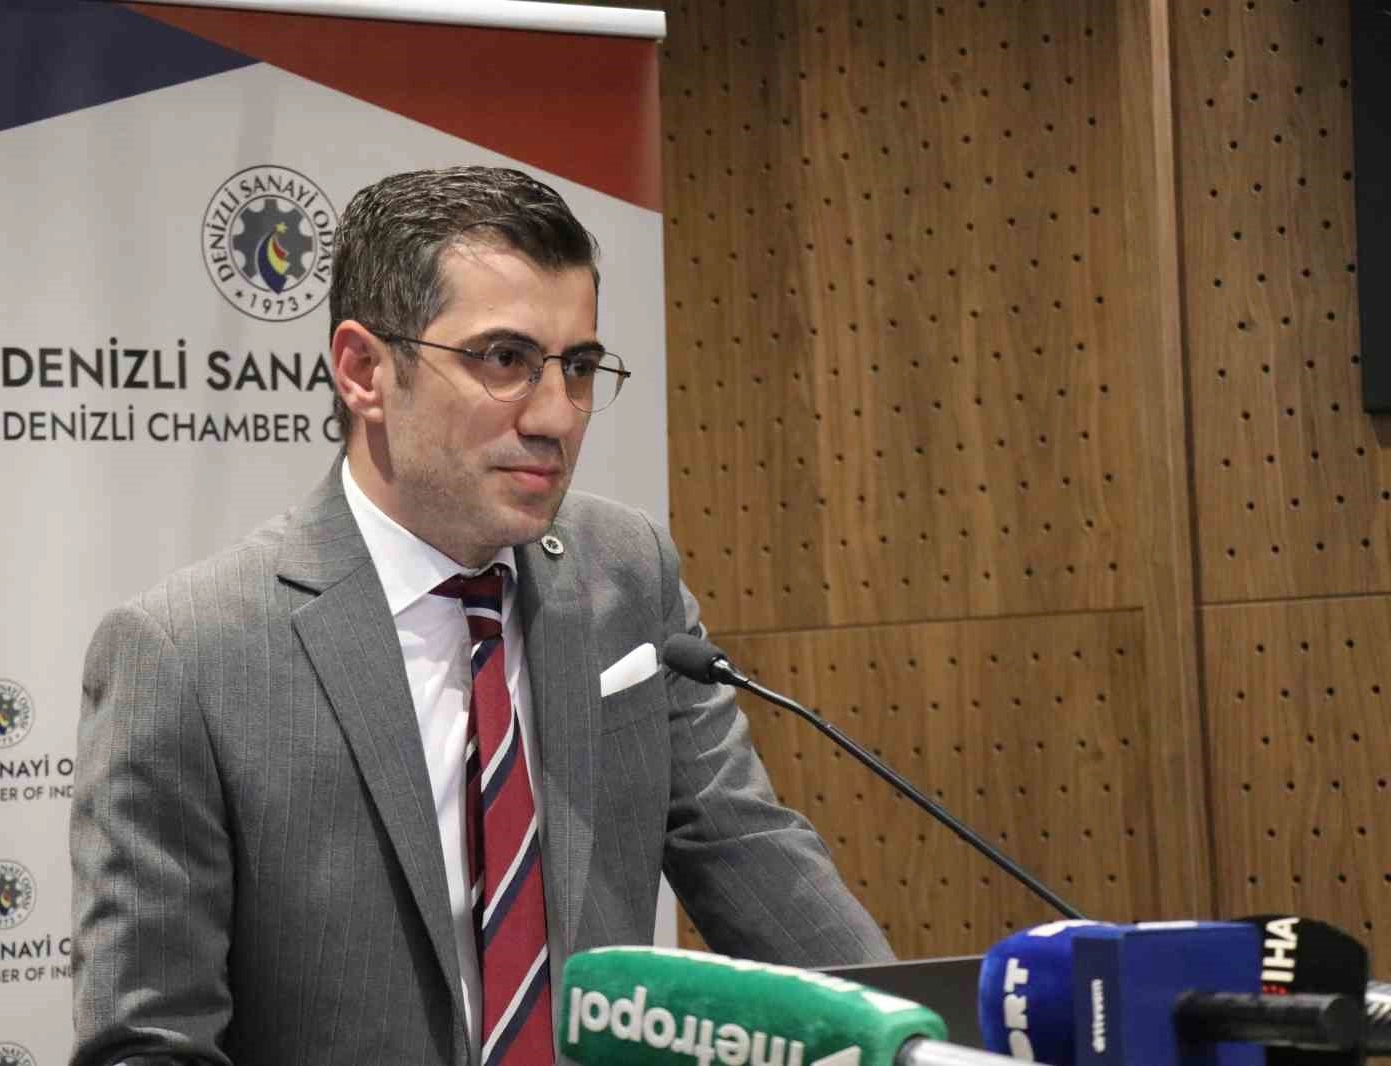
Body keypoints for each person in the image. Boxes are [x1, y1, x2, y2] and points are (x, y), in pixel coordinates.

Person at [69, 166, 892, 1066]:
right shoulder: (188, 654)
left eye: (579, 367)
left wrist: (915, 1040)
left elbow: (748, 852)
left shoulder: (626, 574)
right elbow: (148, 1042)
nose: (557, 416)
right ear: (364, 371)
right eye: (504, 360)